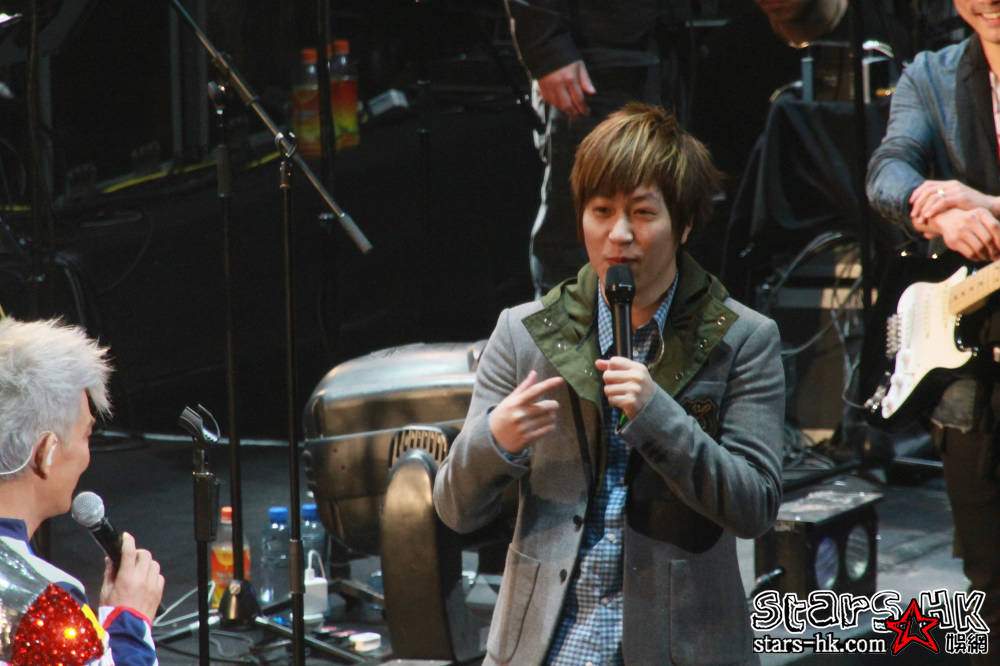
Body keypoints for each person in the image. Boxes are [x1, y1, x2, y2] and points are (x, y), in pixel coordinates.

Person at [434, 103, 785, 665]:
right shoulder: (524, 334)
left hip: (679, 647)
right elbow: (454, 509)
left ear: (684, 225)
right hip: (548, 645)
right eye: (601, 211)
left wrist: (658, 417)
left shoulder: (742, 338)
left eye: (643, 213)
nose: (619, 235)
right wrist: (495, 439)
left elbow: (755, 506)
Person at [867, 3, 1000, 662]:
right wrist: (940, 214)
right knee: (988, 579)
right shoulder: (932, 75)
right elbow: (888, 171)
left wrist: (986, 205)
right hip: (974, 370)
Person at [0, 317, 162, 665]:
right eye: (87, 435)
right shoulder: (39, 603)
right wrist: (129, 623)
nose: (88, 456)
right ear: (46, 452)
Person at [503, 0, 671, 296]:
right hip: (592, 58)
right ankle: (562, 324)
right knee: (580, 224)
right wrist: (547, 49)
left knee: (658, 215)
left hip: (660, 45)